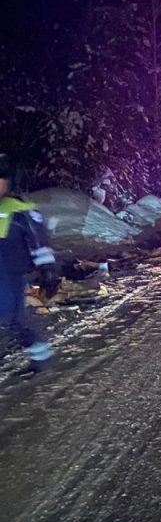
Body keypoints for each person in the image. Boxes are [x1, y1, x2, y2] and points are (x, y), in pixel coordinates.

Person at [0, 154, 61, 375]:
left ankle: (39, 356)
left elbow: (38, 241)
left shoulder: (20, 209)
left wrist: (47, 269)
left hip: (12, 272)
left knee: (12, 315)